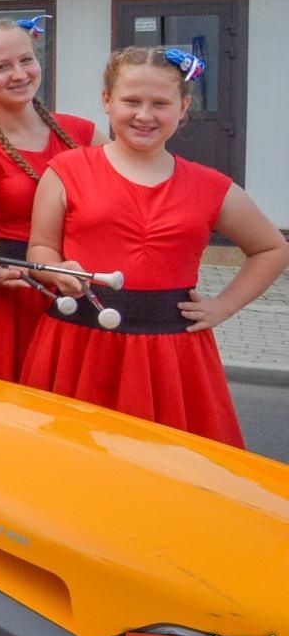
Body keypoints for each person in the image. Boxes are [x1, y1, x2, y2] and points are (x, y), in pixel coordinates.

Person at [21, 47, 287, 445]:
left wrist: (223, 306)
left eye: (160, 104)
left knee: (171, 470)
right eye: (131, 101)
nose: (144, 115)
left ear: (183, 107)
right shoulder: (67, 171)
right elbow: (40, 249)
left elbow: (271, 249)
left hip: (173, 359)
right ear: (107, 101)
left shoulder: (210, 185)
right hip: (80, 344)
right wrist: (57, 270)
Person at [0, 18, 102, 381]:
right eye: (2, 67)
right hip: (19, 302)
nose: (19, 74)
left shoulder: (83, 132)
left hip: (86, 288)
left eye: (26, 60)